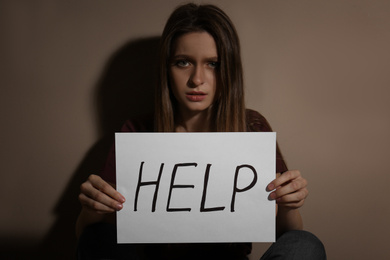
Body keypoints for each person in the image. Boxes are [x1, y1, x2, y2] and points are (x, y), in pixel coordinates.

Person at [76, 3, 326, 260]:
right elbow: (90, 237)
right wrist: (92, 208)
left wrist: (289, 202)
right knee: (98, 237)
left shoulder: (251, 127)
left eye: (213, 64)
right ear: (166, 68)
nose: (197, 79)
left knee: (305, 244)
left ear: (228, 70)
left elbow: (289, 231)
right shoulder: (138, 133)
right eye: (183, 62)